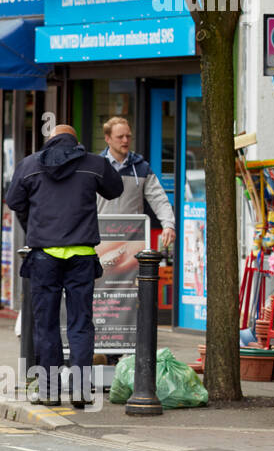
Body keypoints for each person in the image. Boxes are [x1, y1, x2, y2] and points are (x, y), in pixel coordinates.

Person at [5, 124, 123, 406]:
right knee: (80, 324)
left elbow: (13, 201)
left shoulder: (30, 165)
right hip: (81, 255)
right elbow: (115, 189)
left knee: (46, 325)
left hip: (44, 255)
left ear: (50, 140)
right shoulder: (95, 164)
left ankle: (48, 390)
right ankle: (81, 390)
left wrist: (34, 218)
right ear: (75, 141)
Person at [97, 116, 176, 249]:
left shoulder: (142, 167)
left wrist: (168, 224)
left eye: (128, 136)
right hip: (101, 238)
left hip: (133, 239)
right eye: (120, 136)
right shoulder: (96, 166)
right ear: (107, 139)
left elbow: (158, 198)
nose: (125, 140)